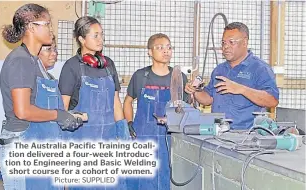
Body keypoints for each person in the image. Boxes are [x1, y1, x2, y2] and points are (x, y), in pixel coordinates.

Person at [0, 4, 82, 190]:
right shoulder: (21, 60)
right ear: (31, 27)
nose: (51, 30)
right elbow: (23, 110)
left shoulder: (35, 62)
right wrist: (59, 115)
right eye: (47, 24)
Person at [58, 16, 130, 189]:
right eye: (95, 35)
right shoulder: (71, 67)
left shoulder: (108, 65)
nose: (101, 40)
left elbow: (115, 102)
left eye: (102, 35)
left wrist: (123, 133)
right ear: (81, 39)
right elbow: (62, 108)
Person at [123, 33, 192, 190]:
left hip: (170, 139)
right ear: (149, 52)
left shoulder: (178, 77)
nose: (165, 51)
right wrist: (129, 123)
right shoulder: (141, 76)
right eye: (160, 47)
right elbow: (127, 101)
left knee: (168, 178)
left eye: (168, 47)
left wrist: (192, 93)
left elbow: (186, 106)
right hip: (144, 138)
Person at [185, 22, 279, 130]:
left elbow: (272, 101)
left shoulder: (260, 69)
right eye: (223, 42)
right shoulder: (219, 70)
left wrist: (241, 89)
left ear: (245, 42)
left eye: (231, 42)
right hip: (218, 133)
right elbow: (209, 99)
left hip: (247, 138)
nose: (226, 47)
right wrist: (195, 90)